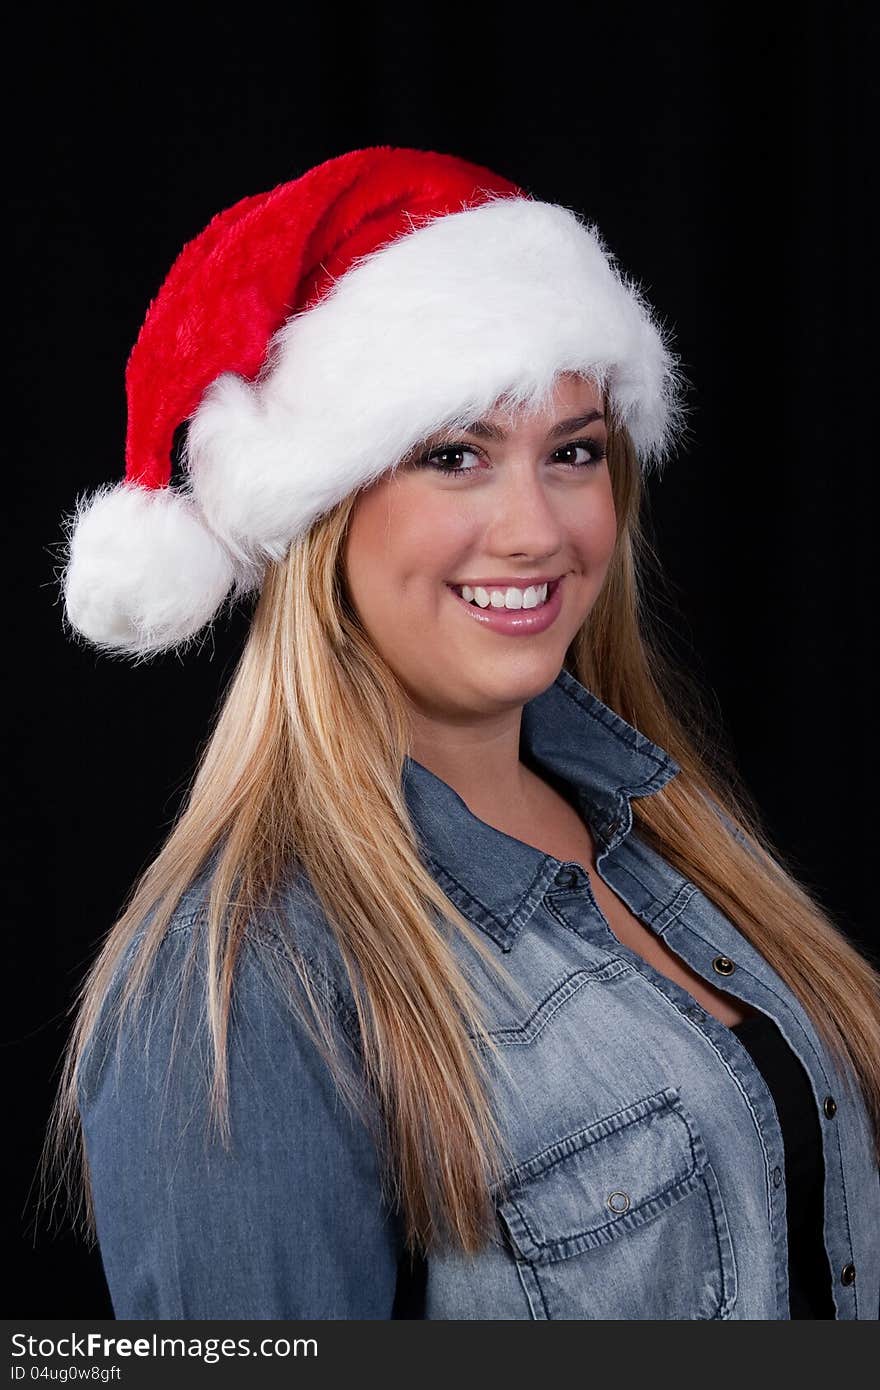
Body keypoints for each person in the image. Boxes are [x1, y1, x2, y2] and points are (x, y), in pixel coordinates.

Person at [43, 146, 879, 1320]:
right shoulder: (242, 985)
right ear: (321, 513)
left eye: (572, 452)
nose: (533, 528)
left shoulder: (661, 832)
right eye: (453, 456)